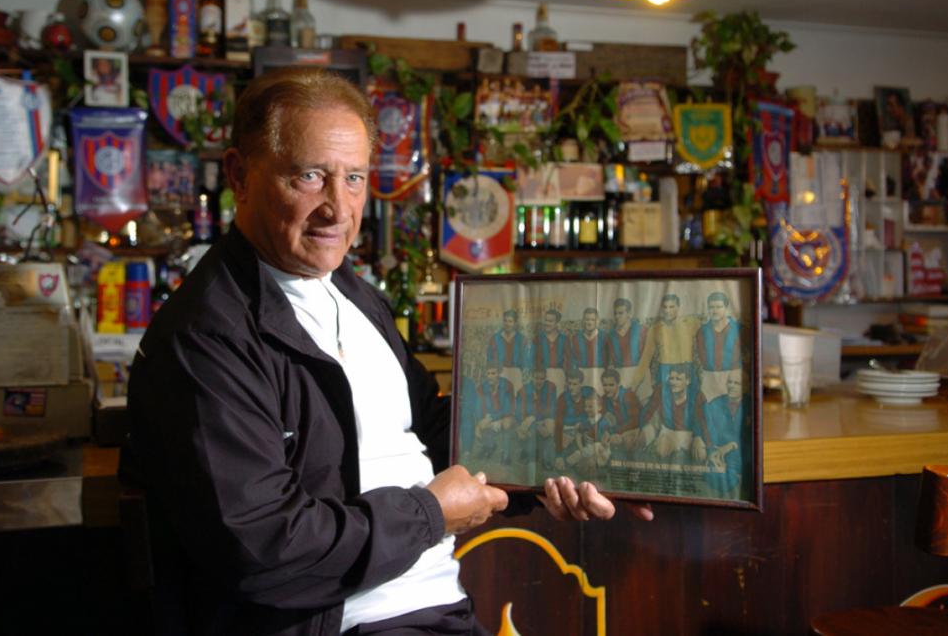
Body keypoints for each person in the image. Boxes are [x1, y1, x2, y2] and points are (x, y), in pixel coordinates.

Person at [121, 67, 650, 636]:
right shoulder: (206, 338)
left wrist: (570, 465)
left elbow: (436, 426)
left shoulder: (353, 293)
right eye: (310, 176)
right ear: (239, 175)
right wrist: (431, 515)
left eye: (353, 179)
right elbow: (264, 549)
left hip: (438, 607)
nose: (338, 208)